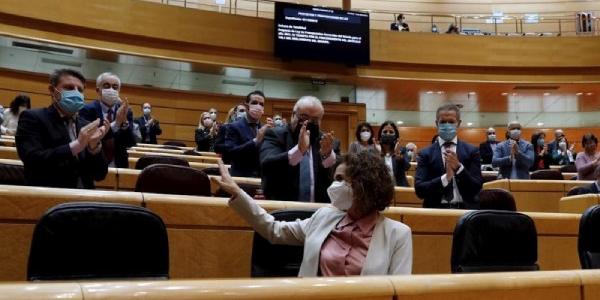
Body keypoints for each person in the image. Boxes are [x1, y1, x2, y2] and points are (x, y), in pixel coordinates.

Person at [213, 151, 413, 276]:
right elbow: (274, 230)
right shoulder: (324, 217)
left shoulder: (398, 234)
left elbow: (399, 291)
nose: (336, 185)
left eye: (343, 179)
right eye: (335, 178)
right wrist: (238, 193)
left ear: (367, 185)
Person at [15, 69, 109, 189]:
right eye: (69, 87)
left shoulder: (86, 125)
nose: (76, 92)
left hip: (84, 199)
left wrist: (94, 148)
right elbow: (33, 161)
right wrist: (77, 145)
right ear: (52, 91)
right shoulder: (33, 118)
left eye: (80, 90)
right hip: (49, 196)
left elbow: (100, 175)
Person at [260, 96, 336, 202]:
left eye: (314, 120)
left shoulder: (327, 142)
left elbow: (337, 178)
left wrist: (327, 156)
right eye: (304, 117)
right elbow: (267, 165)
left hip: (318, 210)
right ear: (293, 115)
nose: (307, 123)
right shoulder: (275, 135)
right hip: (282, 207)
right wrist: (298, 151)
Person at [414, 104, 482, 209]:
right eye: (442, 122)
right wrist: (445, 178)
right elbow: (420, 190)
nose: (447, 125)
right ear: (437, 123)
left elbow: (476, 187)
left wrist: (459, 169)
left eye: (451, 122)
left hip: (465, 211)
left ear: (458, 123)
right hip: (435, 211)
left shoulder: (472, 151)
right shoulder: (425, 153)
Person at [80, 72, 136, 168]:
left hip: (119, 163)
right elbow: (89, 140)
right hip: (94, 163)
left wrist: (125, 123)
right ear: (98, 90)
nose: (111, 89)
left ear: (119, 90)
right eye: (106, 86)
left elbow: (131, 143)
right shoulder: (87, 110)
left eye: (115, 87)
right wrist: (116, 123)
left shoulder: (126, 111)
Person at [224, 91, 273, 177]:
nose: (258, 106)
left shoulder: (265, 128)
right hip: (241, 177)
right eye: (254, 103)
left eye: (261, 104)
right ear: (246, 106)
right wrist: (255, 141)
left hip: (261, 177)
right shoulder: (233, 126)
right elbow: (229, 153)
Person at [378, 121, 410, 187]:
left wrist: (400, 158)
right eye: (385, 132)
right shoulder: (375, 150)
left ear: (396, 136)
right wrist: (377, 155)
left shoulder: (401, 150)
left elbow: (407, 167)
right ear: (380, 135)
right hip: (380, 190)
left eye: (391, 132)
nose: (388, 134)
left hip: (399, 189)